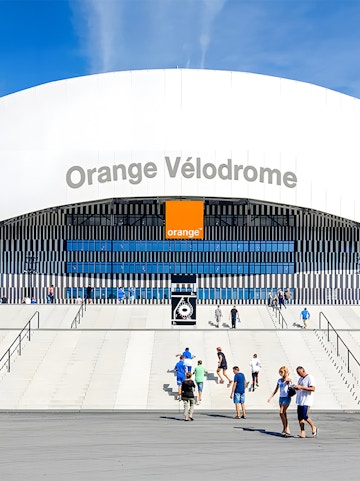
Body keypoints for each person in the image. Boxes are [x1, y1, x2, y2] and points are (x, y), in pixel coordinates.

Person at [267, 365, 292, 436]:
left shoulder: (288, 380)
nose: (280, 373)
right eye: (280, 372)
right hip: (281, 398)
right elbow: (276, 389)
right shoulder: (279, 380)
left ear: (285, 372)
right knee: (284, 414)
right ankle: (286, 428)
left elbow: (289, 382)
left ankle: (286, 428)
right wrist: (270, 397)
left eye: (281, 372)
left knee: (281, 412)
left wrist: (286, 375)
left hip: (287, 397)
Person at [294, 366, 317, 438]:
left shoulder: (310, 377)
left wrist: (302, 387)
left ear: (303, 371)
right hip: (300, 400)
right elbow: (299, 389)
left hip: (307, 400)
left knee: (304, 415)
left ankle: (313, 427)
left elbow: (313, 388)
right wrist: (296, 388)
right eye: (297, 373)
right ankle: (302, 432)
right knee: (300, 417)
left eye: (299, 373)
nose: (298, 374)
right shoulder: (300, 379)